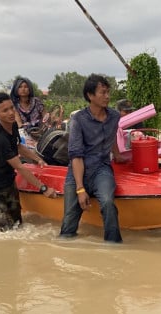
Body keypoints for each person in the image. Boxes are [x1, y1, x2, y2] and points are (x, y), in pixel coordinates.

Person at [60, 74, 125, 243]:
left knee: (108, 203)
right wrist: (80, 189)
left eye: (108, 92)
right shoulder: (78, 120)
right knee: (68, 223)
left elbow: (111, 137)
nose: (107, 96)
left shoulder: (114, 116)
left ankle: (113, 245)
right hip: (78, 171)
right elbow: (76, 155)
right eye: (103, 92)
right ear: (90, 96)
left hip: (102, 169)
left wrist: (117, 155)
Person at [0, 92, 58, 231]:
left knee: (18, 223)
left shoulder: (13, 125)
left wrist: (37, 158)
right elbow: (20, 167)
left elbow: (18, 146)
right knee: (4, 228)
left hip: (8, 181)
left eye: (12, 108)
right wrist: (43, 188)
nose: (10, 113)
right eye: (5, 110)